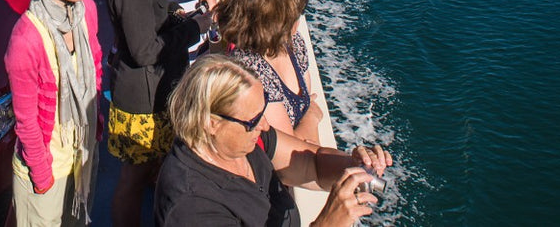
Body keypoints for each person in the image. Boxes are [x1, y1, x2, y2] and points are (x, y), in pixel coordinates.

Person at [154, 55, 390, 227]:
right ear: (210, 122)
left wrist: (354, 167)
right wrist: (327, 223)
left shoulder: (244, 142)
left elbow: (312, 165)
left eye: (263, 112)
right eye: (253, 119)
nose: (265, 125)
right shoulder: (190, 205)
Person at [4, 0, 111, 226]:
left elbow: (97, 65)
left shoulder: (86, 9)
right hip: (47, 167)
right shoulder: (25, 39)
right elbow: (25, 120)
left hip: (82, 154)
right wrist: (41, 175)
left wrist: (96, 126)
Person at [106, 0, 204, 227]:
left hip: (154, 91)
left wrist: (174, 16)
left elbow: (149, 20)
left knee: (146, 171)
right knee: (132, 181)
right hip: (140, 99)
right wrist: (195, 28)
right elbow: (145, 51)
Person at [216, 0, 323, 145]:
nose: (299, 20)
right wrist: (311, 118)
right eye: (297, 14)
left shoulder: (294, 43)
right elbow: (289, 149)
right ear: (279, 25)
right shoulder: (250, 70)